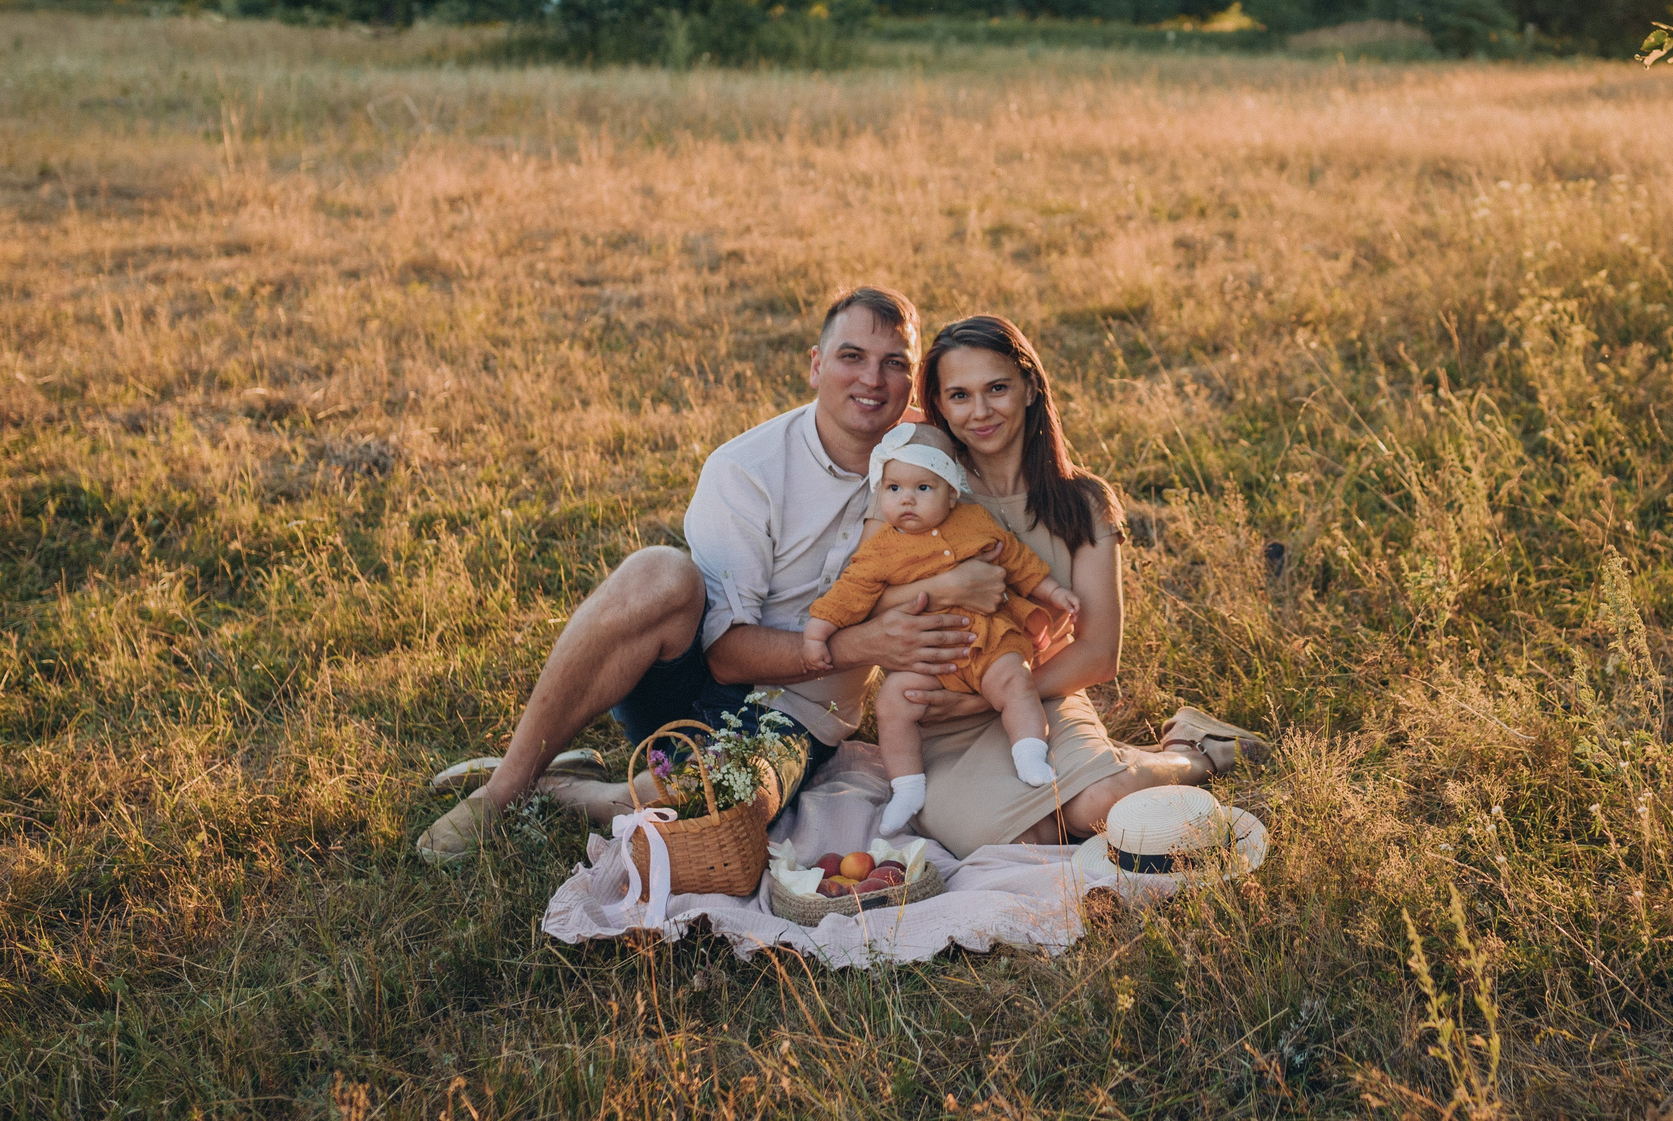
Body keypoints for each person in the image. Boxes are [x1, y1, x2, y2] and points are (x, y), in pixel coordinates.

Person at [416, 287, 994, 862]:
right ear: (816, 366)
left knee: (714, 803)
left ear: (914, 382)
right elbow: (726, 655)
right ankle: (505, 788)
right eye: (852, 357)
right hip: (695, 683)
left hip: (799, 716)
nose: (872, 379)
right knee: (658, 571)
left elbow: (1012, 471)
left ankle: (574, 790)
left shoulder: (931, 463)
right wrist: (864, 644)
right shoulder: (746, 468)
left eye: (895, 363)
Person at [895, 314, 1270, 856]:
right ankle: (1104, 768)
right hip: (940, 723)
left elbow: (1098, 655)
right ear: (940, 405)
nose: (979, 411)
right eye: (959, 395)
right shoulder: (922, 487)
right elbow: (878, 594)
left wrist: (986, 698)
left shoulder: (1081, 502)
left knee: (1100, 808)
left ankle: (1197, 749)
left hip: (1042, 694)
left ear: (1029, 388)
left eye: (997, 388)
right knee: (1020, 841)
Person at [803, 423, 1081, 833]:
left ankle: (1029, 755)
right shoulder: (882, 548)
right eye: (893, 489)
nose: (906, 500)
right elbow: (850, 593)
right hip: (928, 658)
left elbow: (1017, 561)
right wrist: (817, 631)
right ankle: (907, 787)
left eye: (923, 488)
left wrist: (1054, 591)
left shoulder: (974, 521)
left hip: (987, 642)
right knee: (894, 701)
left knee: (1015, 681)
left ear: (952, 492)